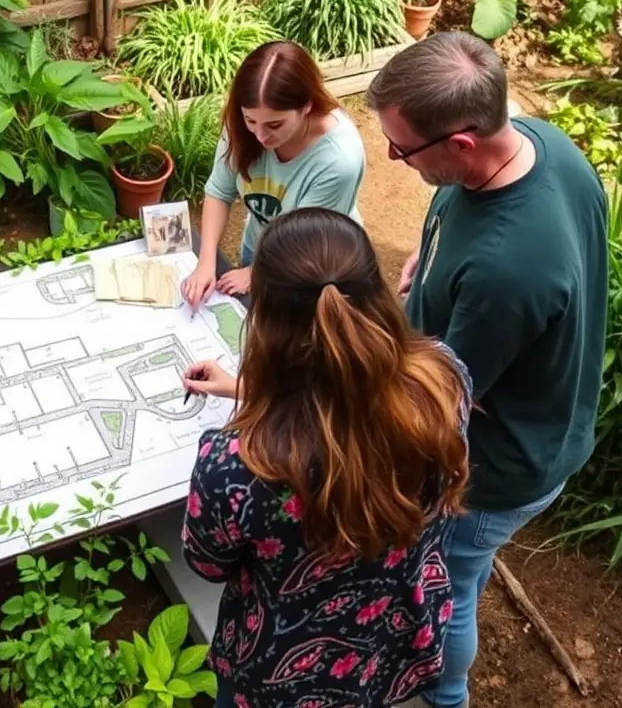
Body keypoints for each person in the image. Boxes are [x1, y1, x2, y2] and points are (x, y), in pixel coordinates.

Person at [364, 31, 608, 708]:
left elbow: (435, 398)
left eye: (402, 149)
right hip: (541, 411)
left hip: (495, 467)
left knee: (449, 582)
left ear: (463, 143)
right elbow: (465, 235)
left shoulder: (507, 269)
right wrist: (432, 264)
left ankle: (445, 695)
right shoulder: (541, 142)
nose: (391, 159)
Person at [180, 208, 473, 708]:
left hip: (280, 672)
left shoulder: (232, 466)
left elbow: (207, 564)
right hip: (391, 638)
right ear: (376, 291)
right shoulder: (444, 381)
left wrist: (255, 398)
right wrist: (245, 389)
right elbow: (353, 399)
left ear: (264, 321)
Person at [181, 41, 365, 307]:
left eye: (275, 124)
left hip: (314, 266)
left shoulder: (339, 160)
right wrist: (206, 263)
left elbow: (306, 240)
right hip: (261, 246)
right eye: (251, 121)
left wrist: (255, 273)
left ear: (306, 106)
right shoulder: (241, 126)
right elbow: (219, 191)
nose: (260, 135)